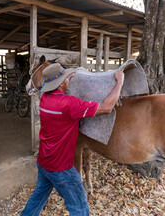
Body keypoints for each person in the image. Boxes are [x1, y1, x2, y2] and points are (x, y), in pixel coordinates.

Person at [21, 63, 124, 216]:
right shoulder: (69, 104)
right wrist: (119, 82)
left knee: (38, 197)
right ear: (61, 83)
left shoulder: (44, 99)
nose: (69, 81)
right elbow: (106, 107)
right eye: (66, 79)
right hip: (61, 168)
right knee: (79, 205)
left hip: (43, 162)